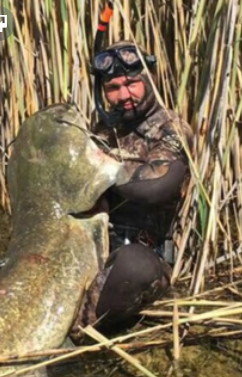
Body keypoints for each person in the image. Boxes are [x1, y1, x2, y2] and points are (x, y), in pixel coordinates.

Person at [74, 40, 194, 335]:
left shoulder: (171, 128)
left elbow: (156, 186)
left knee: (133, 266)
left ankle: (78, 331)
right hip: (92, 247)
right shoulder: (102, 130)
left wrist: (98, 167)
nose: (124, 95)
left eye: (131, 84)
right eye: (113, 88)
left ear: (150, 79)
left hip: (146, 253)